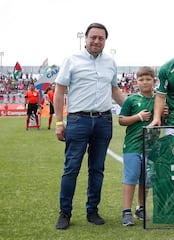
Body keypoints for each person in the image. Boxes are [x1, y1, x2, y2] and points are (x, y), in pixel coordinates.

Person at [54, 22, 126, 230]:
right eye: (92, 37)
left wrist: (135, 109)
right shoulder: (71, 60)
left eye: (100, 38)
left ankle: (92, 210)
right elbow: (59, 91)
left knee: (97, 169)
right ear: (85, 38)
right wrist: (59, 122)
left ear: (105, 40)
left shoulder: (110, 62)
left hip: (104, 121)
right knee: (71, 169)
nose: (96, 41)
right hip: (78, 121)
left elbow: (115, 91)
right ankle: (65, 212)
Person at [118, 66, 156, 226]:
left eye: (148, 79)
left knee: (145, 179)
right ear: (136, 82)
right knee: (131, 178)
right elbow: (121, 120)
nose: (145, 82)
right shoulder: (132, 100)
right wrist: (138, 117)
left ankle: (140, 207)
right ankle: (126, 211)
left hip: (151, 147)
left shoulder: (159, 99)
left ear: (154, 81)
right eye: (141, 79)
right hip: (133, 145)